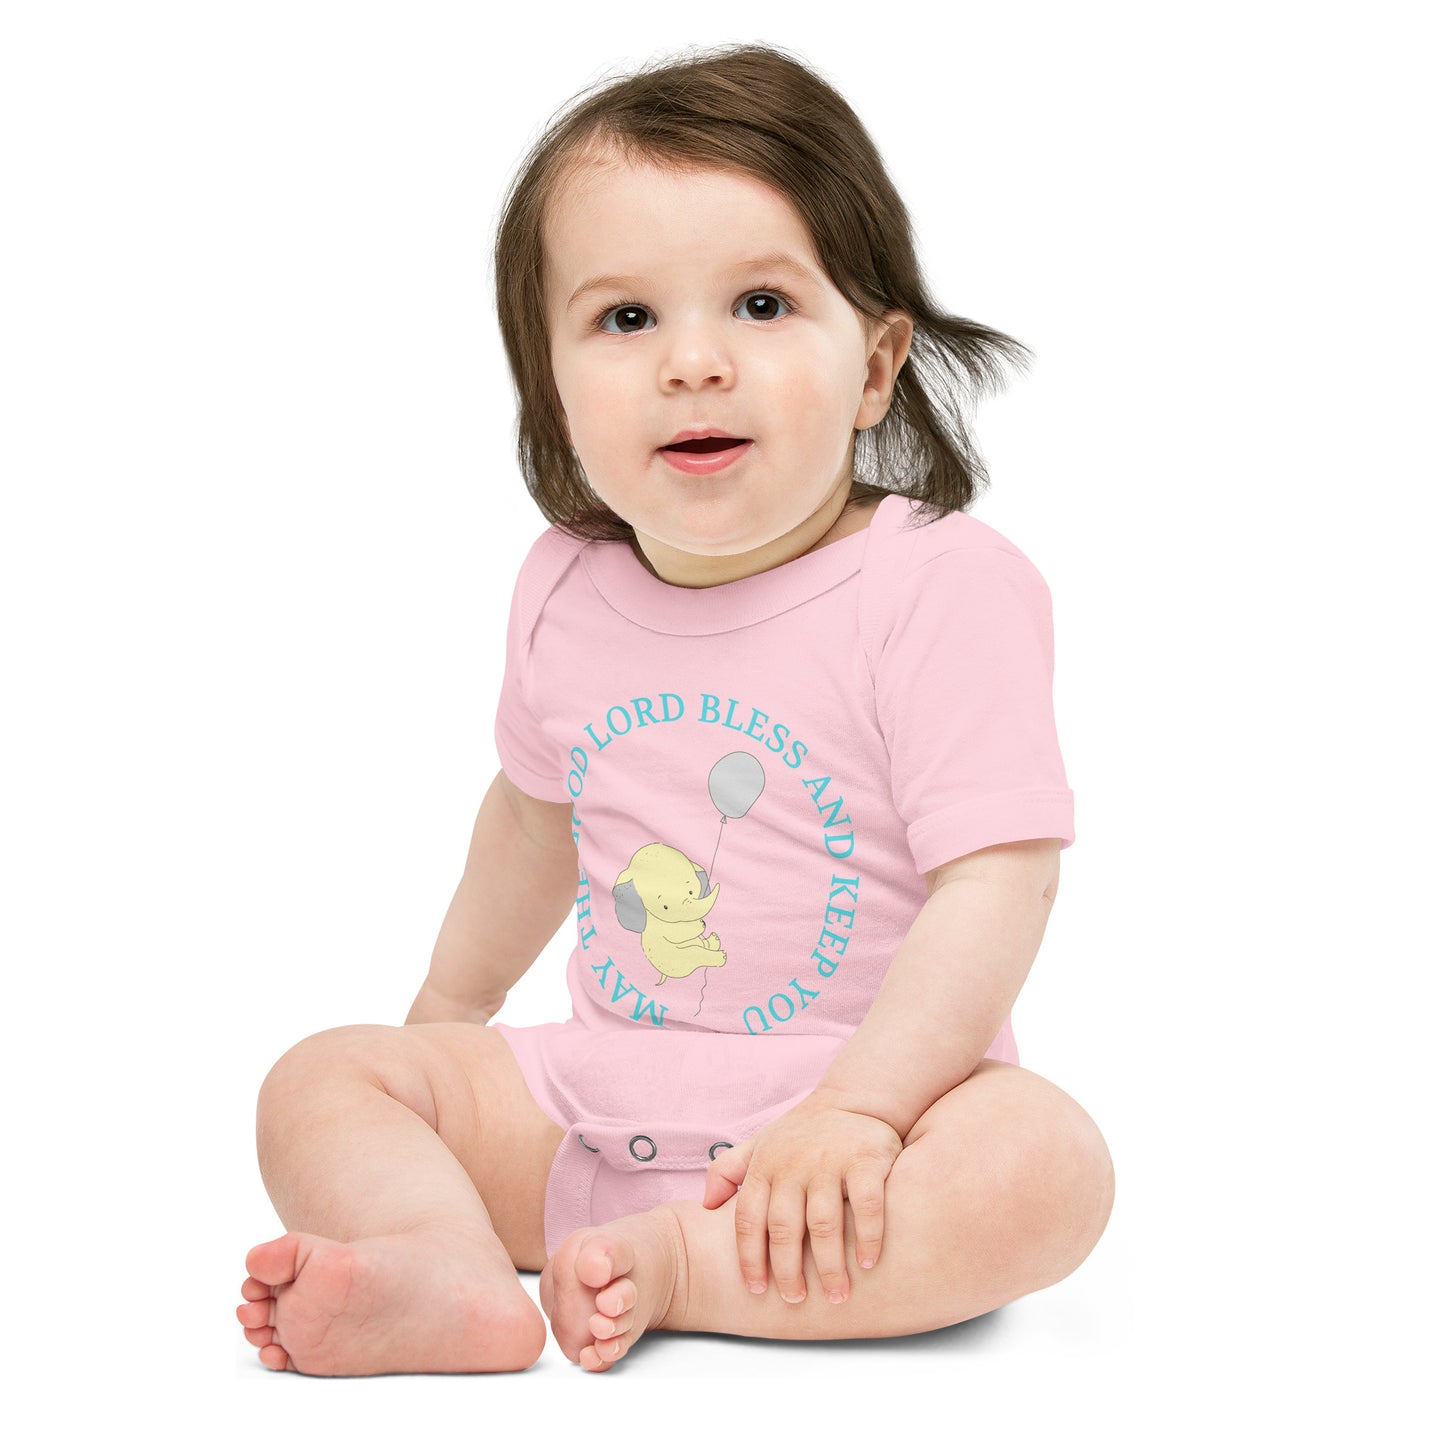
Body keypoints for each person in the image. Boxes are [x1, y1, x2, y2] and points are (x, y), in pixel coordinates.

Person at [235, 41, 1114, 1376]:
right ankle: (445, 1267)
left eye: (760, 305)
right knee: (322, 1079)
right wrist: (447, 1015)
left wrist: (859, 1112)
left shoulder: (936, 585)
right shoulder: (563, 591)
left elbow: (998, 881)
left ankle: (687, 1267)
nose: (693, 363)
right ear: (550, 384)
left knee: (1047, 1165)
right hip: (603, 1094)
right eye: (625, 319)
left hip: (874, 1120)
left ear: (874, 366)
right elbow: (532, 820)